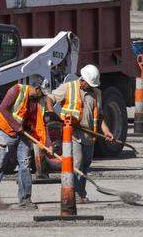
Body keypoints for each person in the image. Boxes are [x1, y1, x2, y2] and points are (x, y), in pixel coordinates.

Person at [49, 65, 114, 203]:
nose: (90, 87)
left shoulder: (97, 93)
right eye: (88, 84)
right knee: (77, 164)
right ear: (82, 80)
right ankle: (76, 194)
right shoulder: (68, 87)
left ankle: (81, 193)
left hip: (89, 137)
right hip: (73, 134)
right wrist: (51, 113)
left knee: (85, 165)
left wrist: (107, 131)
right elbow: (50, 98)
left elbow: (100, 117)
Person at [0, 82, 48, 210]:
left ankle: (25, 200)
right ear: (37, 88)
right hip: (6, 132)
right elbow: (3, 108)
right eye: (41, 94)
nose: (41, 97)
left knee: (25, 166)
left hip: (23, 135)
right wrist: (16, 126)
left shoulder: (35, 101)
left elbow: (40, 123)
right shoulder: (16, 90)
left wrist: (47, 144)